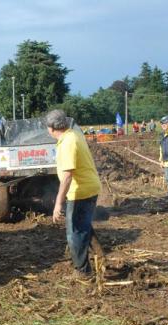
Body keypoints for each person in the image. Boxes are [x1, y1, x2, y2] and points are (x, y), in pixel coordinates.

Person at [47, 109, 101, 276]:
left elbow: (68, 176)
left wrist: (58, 203)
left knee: (74, 232)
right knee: (83, 224)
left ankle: (82, 271)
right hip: (89, 187)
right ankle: (100, 255)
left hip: (80, 191)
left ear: (51, 128)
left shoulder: (68, 142)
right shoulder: (73, 134)